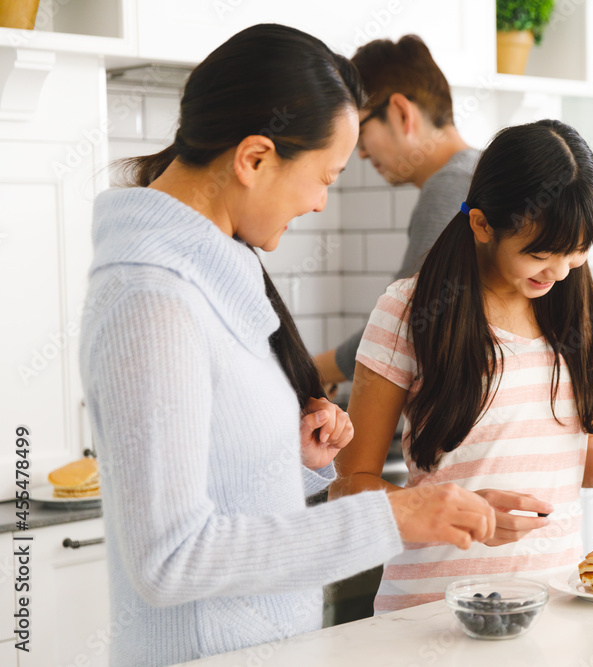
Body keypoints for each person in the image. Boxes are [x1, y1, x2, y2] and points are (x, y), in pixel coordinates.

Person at [79, 24, 494, 666]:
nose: (322, 203)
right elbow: (167, 559)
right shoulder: (151, 302)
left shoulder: (212, 273)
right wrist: (394, 518)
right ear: (254, 158)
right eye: (324, 176)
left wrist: (289, 456)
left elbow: (223, 494)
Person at [330, 119, 593, 613]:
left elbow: (550, 467)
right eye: (540, 254)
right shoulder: (409, 310)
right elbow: (350, 485)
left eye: (575, 253)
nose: (557, 272)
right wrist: (459, 513)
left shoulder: (569, 310)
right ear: (482, 225)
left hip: (553, 608)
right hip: (432, 613)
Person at [313, 34, 479, 390]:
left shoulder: (450, 186)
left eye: (361, 127)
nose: (358, 152)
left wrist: (315, 371)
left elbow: (404, 324)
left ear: (402, 112)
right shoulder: (481, 171)